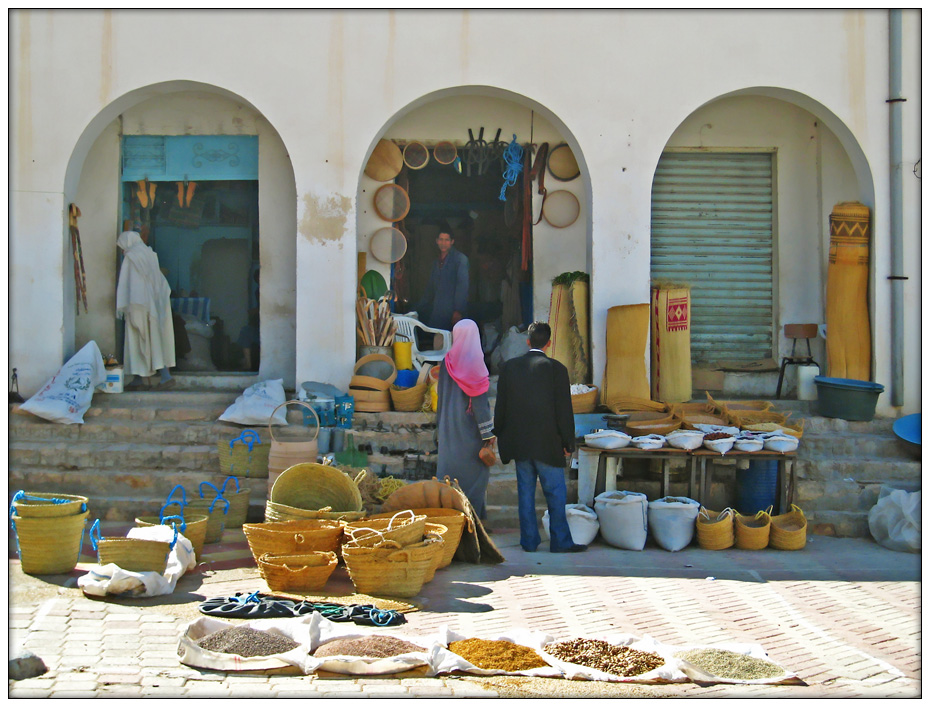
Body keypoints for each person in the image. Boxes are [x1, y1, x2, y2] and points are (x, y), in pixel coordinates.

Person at [493, 321, 586, 553]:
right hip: (548, 444)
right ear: (549, 343)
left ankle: (529, 542)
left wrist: (500, 436)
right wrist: (568, 442)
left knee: (525, 493)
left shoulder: (510, 368)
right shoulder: (557, 370)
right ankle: (560, 541)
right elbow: (564, 410)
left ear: (527, 341)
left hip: (520, 444)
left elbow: (501, 408)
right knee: (555, 494)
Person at [435, 318, 495, 519]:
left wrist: (440, 426)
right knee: (475, 479)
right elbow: (479, 404)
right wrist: (488, 434)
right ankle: (474, 522)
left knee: (450, 477)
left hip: (449, 427)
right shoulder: (475, 363)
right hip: (470, 432)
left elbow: (441, 394)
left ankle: (453, 519)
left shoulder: (447, 362)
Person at [116, 230, 176, 390]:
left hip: (139, 306)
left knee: (140, 342)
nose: (122, 251)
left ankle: (146, 378)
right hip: (156, 306)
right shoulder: (149, 254)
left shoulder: (132, 257)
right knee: (157, 340)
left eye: (122, 247)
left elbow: (132, 286)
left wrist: (132, 311)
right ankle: (160, 376)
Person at [415, 222, 469, 332]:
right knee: (438, 343)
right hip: (439, 311)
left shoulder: (460, 260)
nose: (443, 243)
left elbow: (463, 286)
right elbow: (430, 289)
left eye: (447, 240)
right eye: (441, 239)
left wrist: (458, 311)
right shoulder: (436, 263)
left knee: (453, 343)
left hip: (453, 314)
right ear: (437, 241)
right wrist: (416, 309)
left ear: (452, 242)